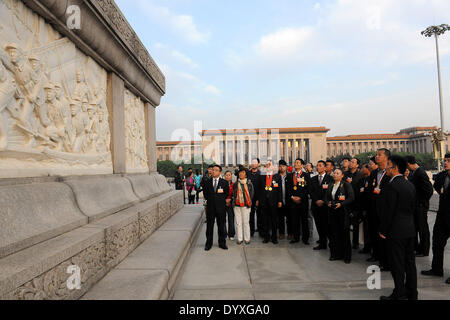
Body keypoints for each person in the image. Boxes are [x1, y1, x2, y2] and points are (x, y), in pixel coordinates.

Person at [379, 155, 418, 300]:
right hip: (409, 229)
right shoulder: (409, 184)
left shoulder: (392, 185)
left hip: (395, 231)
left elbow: (389, 211)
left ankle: (399, 292)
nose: (386, 167)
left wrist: (383, 230)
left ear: (394, 168)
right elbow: (413, 208)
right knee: (410, 263)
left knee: (397, 264)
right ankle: (412, 293)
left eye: (388, 165)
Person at [421, 153, 450, 285]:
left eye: (448, 161)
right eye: (445, 160)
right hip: (442, 215)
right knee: (437, 243)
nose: (446, 163)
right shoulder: (443, 175)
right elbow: (437, 186)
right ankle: (437, 269)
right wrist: (441, 190)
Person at [366, 148, 391, 272]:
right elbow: (370, 191)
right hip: (373, 209)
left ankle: (386, 261)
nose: (377, 157)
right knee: (374, 234)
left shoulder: (390, 173)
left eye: (379, 155)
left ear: (386, 157)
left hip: (385, 210)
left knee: (384, 236)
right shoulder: (374, 173)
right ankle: (376, 255)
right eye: (376, 155)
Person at [405, 155, 433, 257]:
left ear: (408, 164)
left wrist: (422, 202)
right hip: (416, 205)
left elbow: (428, 190)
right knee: (416, 228)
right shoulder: (415, 172)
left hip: (420, 206)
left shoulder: (420, 173)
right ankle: (417, 248)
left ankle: (424, 250)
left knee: (423, 229)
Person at [325, 168, 354, 263]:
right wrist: (328, 203)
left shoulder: (346, 185)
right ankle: (335, 254)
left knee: (344, 234)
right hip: (332, 212)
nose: (335, 174)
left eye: (337, 173)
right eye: (334, 173)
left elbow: (351, 198)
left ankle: (346, 256)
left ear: (342, 176)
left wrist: (341, 204)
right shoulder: (330, 185)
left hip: (343, 212)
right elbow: (326, 197)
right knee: (334, 234)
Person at [203, 165, 230, 251]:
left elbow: (226, 194)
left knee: (221, 226)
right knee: (209, 226)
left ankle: (222, 243)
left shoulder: (224, 182)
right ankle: (208, 243)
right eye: (212, 170)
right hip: (210, 207)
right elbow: (205, 194)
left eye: (215, 170)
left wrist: (219, 201)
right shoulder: (207, 182)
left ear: (219, 172)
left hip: (221, 208)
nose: (213, 171)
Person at [257, 159, 282, 244]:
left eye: (269, 165)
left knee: (274, 220)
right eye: (266, 165)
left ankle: (274, 237)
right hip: (264, 201)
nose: (268, 166)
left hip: (274, 201)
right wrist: (259, 200)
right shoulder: (262, 176)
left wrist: (280, 201)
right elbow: (259, 190)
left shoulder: (277, 176)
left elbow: (279, 190)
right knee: (265, 220)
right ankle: (266, 237)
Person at [287, 158, 311, 245]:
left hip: (303, 201)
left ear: (302, 165)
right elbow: (288, 188)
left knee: (304, 220)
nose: (296, 164)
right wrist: (292, 197)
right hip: (293, 201)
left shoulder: (306, 175)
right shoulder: (290, 175)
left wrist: (300, 197)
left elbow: (308, 188)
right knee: (294, 220)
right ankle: (295, 237)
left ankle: (305, 238)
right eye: (295, 162)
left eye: (298, 163)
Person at [310, 160, 333, 250]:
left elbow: (330, 191)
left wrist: (323, 200)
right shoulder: (313, 179)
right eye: (317, 165)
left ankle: (331, 243)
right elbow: (311, 191)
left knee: (326, 225)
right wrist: (316, 200)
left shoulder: (330, 178)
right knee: (319, 225)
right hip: (316, 206)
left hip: (325, 206)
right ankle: (322, 243)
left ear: (324, 167)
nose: (318, 167)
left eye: (320, 165)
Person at [232, 166, 255, 245]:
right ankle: (239, 238)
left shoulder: (249, 183)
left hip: (246, 205)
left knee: (246, 222)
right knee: (238, 223)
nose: (241, 174)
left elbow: (252, 194)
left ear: (246, 174)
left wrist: (248, 201)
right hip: (237, 205)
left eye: (243, 173)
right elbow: (233, 194)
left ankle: (247, 238)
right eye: (240, 172)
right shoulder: (235, 184)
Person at [347, 158, 364, 249]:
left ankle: (355, 243)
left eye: (353, 162)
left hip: (356, 203)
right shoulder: (346, 174)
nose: (350, 163)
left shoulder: (360, 175)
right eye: (350, 162)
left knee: (355, 224)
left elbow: (360, 190)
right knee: (346, 223)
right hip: (346, 203)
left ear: (357, 165)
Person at [358, 163, 372, 254]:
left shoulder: (371, 180)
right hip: (362, 207)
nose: (361, 170)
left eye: (363, 168)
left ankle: (369, 247)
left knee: (368, 229)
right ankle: (366, 246)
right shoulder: (362, 180)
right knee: (365, 229)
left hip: (369, 208)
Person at [248, 158, 262, 237]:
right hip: (249, 198)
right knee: (250, 216)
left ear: (258, 164)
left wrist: (259, 199)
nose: (253, 164)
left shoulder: (261, 174)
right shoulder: (248, 174)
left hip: (258, 198)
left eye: (255, 163)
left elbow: (262, 188)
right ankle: (251, 231)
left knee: (260, 216)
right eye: (252, 163)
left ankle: (260, 230)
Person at [278, 160, 291, 240]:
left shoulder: (290, 176)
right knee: (280, 218)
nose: (281, 167)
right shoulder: (276, 176)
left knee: (289, 218)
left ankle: (290, 233)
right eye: (280, 166)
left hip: (289, 200)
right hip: (280, 200)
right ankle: (281, 233)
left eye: (283, 166)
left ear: (286, 167)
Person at [224, 170, 236, 241]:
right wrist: (225, 200)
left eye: (229, 175)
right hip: (223, 203)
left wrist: (230, 199)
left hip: (231, 204)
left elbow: (235, 194)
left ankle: (231, 234)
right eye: (226, 175)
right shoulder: (222, 184)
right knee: (223, 220)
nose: (228, 176)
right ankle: (224, 234)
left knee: (231, 219)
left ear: (231, 176)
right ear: (224, 176)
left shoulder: (234, 185)